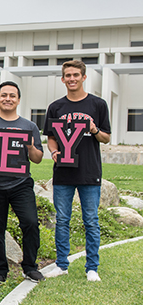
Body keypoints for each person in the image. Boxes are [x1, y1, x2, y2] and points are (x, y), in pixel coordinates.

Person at [43, 60, 111, 282]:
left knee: (91, 220)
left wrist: (94, 128)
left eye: (75, 75)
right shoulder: (56, 107)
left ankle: (92, 268)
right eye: (67, 75)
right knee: (62, 219)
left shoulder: (97, 105)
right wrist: (53, 152)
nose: (71, 78)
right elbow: (51, 138)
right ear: (62, 79)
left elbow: (106, 138)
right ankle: (62, 264)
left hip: (90, 171)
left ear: (84, 77)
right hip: (63, 172)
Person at [0, 81, 45, 283]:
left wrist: (31, 146)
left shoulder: (29, 126)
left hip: (20, 184)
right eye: (4, 95)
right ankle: (0, 271)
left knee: (31, 223)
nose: (8, 99)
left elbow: (38, 158)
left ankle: (30, 267)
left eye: (12, 95)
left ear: (18, 100)